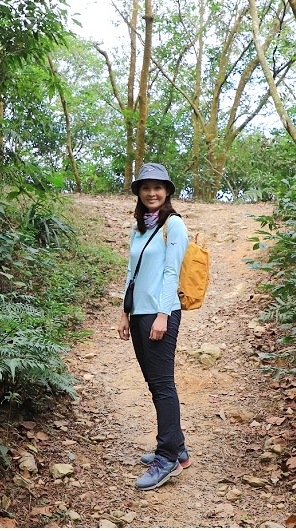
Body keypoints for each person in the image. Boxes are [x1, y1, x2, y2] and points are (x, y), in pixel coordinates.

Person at [117, 163, 190, 491]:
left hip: (162, 313)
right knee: (153, 382)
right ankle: (179, 448)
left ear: (168, 191)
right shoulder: (139, 227)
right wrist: (124, 312)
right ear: (139, 192)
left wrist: (162, 315)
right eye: (146, 187)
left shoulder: (173, 225)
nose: (152, 193)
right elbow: (131, 272)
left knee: (162, 385)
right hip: (138, 313)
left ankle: (167, 458)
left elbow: (172, 273)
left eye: (158, 187)